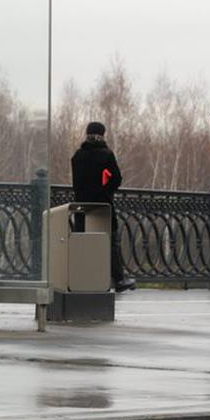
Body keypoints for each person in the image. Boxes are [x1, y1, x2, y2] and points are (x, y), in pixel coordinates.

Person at [71, 121, 136, 292]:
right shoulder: (106, 155)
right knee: (110, 243)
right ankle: (119, 279)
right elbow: (116, 179)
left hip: (81, 207)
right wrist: (106, 188)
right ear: (102, 134)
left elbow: (76, 182)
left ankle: (80, 278)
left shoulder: (77, 156)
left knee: (81, 242)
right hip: (102, 206)